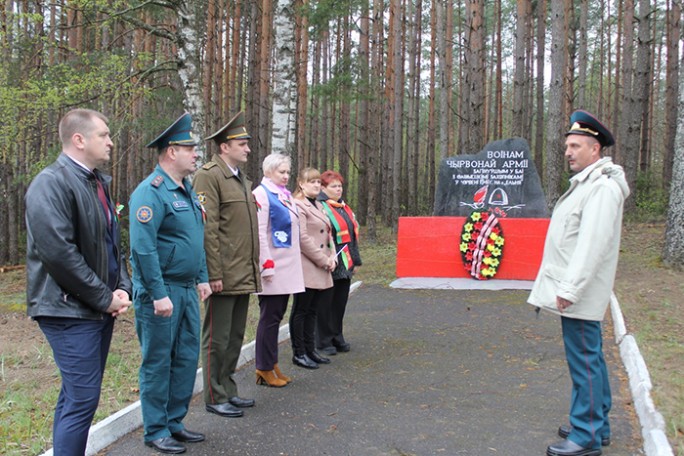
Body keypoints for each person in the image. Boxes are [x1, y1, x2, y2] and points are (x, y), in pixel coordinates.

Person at [25, 108, 132, 456]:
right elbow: (59, 254)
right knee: (83, 399)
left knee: (77, 397)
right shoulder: (51, 182)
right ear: (79, 139)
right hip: (67, 310)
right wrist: (104, 298)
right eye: (105, 134)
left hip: (94, 307)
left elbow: (112, 245)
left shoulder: (96, 182)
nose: (111, 142)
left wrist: (123, 287)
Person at [528, 110, 630, 456]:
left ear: (594, 149)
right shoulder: (590, 184)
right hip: (579, 290)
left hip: (580, 291)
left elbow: (591, 245)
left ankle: (585, 436)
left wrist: (569, 290)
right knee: (591, 358)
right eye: (567, 146)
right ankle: (597, 425)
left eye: (575, 146)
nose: (568, 152)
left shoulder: (600, 189)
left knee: (584, 361)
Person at [129, 112, 212, 454]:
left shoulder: (187, 190)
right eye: (189, 147)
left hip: (187, 289)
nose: (195, 153)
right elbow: (143, 249)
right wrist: (158, 294)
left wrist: (203, 278)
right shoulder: (151, 192)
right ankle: (155, 429)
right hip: (159, 294)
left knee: (186, 357)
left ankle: (175, 422)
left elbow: (195, 238)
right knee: (158, 360)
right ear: (169, 152)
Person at [193, 112, 261, 418]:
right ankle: (213, 395)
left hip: (243, 271)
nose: (247, 148)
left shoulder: (241, 179)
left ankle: (228, 389)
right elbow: (209, 229)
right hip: (223, 273)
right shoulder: (209, 175)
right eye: (242, 143)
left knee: (234, 337)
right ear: (224, 147)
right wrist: (213, 274)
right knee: (216, 339)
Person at [252, 153, 305, 387]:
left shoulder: (284, 195)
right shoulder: (261, 194)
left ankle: (272, 364)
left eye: (287, 172)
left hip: (287, 267)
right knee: (269, 318)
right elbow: (260, 233)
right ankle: (263, 367)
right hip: (273, 268)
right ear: (268, 172)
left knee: (277, 316)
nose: (286, 176)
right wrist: (266, 265)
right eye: (281, 172)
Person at [290, 168, 337, 369]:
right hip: (307, 263)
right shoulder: (297, 205)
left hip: (323, 263)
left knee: (313, 311)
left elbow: (328, 234)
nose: (317, 186)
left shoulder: (318, 204)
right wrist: (322, 260)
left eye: (319, 182)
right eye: (312, 182)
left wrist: (332, 256)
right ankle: (299, 352)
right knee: (301, 309)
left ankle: (310, 350)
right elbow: (302, 238)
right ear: (301, 183)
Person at [316, 170, 362, 356]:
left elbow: (352, 237)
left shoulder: (343, 207)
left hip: (346, 262)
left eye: (340, 186)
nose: (338, 189)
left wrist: (356, 261)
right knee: (325, 303)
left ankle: (337, 335)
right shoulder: (320, 207)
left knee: (340, 303)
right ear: (323, 188)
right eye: (333, 186)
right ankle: (323, 340)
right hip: (330, 261)